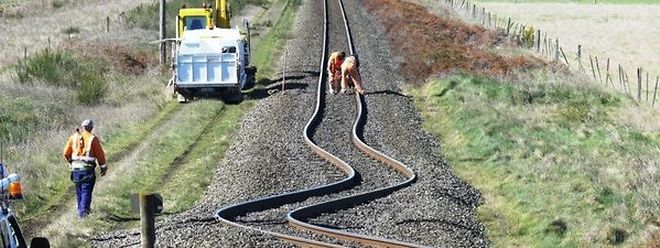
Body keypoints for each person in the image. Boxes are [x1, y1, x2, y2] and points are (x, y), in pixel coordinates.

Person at [62, 119, 107, 218]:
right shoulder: (93, 139)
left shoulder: (73, 137)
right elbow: (100, 155)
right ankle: (83, 215)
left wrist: (71, 162)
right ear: (91, 128)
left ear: (82, 127)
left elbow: (65, 153)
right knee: (86, 191)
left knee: (79, 191)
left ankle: (80, 211)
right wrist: (103, 167)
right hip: (87, 170)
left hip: (75, 170)